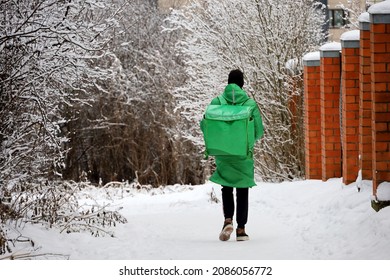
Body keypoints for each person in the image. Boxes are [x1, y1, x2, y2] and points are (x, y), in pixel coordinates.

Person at [208, 69, 264, 241]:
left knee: (226, 186)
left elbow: (208, 126)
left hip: (223, 153)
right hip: (243, 153)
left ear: (228, 82)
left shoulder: (217, 102)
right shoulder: (250, 104)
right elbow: (259, 132)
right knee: (242, 188)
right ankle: (241, 229)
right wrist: (245, 142)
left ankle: (227, 220)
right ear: (242, 83)